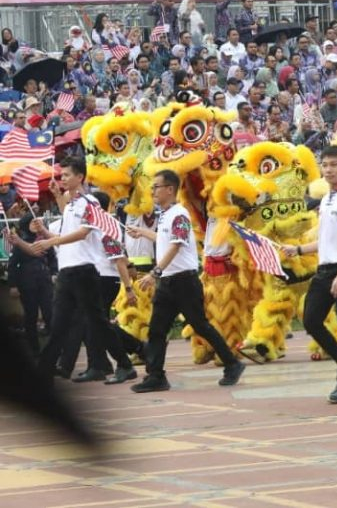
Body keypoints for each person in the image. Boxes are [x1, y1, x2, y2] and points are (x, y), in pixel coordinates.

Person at [127, 170, 246, 392]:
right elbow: (166, 239)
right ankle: (156, 376)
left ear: (169, 189)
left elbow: (177, 244)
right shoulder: (166, 214)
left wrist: (155, 273)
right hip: (168, 282)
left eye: (156, 187)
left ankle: (232, 363)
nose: (152, 191)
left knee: (200, 325)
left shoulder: (179, 214)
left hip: (183, 282)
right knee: (157, 330)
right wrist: (143, 233)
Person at [32, 158, 137, 384]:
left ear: (80, 177)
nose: (63, 179)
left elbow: (82, 233)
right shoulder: (71, 204)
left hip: (84, 273)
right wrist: (59, 198)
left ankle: (125, 365)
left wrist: (53, 242)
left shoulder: (90, 203)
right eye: (61, 176)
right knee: (59, 324)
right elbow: (69, 225)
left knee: (97, 322)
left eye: (67, 175)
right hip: (67, 273)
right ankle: (45, 369)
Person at [283, 146, 337, 403]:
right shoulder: (328, 198)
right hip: (325, 268)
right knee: (310, 320)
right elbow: (326, 238)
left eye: (334, 165)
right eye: (325, 165)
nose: (328, 169)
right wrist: (298, 249)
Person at [5, 213, 55, 356]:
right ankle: (34, 349)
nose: (36, 225)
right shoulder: (20, 243)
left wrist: (53, 273)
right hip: (27, 283)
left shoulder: (45, 241)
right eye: (33, 223)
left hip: (44, 281)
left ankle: (53, 349)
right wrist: (13, 285)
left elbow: (52, 259)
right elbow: (12, 265)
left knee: (49, 313)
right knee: (30, 316)